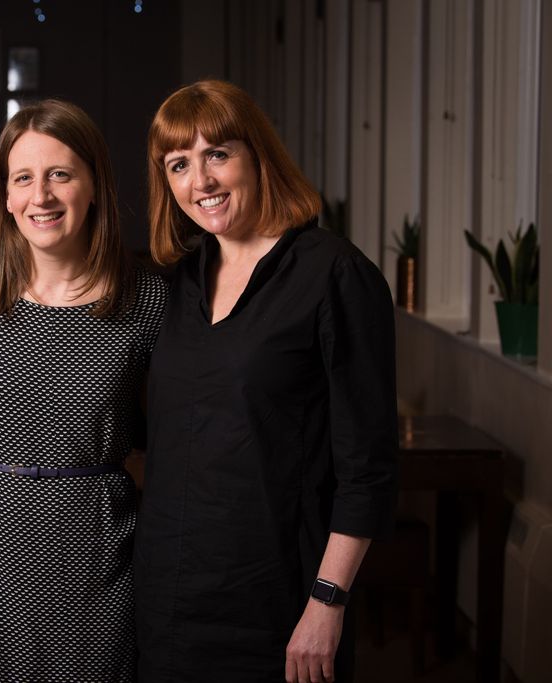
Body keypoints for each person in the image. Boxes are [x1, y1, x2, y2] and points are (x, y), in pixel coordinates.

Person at [134, 80, 398, 683]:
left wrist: (327, 602)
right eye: (179, 164)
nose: (201, 181)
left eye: (217, 154)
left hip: (281, 602)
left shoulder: (336, 274)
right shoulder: (177, 282)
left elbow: (368, 467)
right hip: (169, 599)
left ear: (257, 156)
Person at [0, 99, 168, 681]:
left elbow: (171, 442)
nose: (42, 196)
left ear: (94, 186)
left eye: (60, 174)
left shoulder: (147, 300)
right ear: (5, 196)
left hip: (94, 547)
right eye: (23, 178)